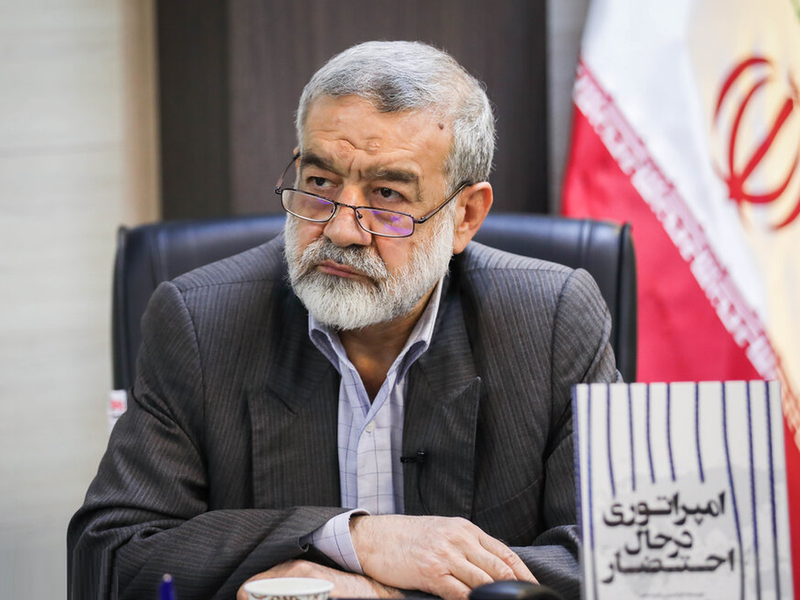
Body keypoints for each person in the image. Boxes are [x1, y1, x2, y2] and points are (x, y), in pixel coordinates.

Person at [68, 41, 619, 600]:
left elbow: (614, 562)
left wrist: (388, 597)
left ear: (465, 216)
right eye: (320, 183)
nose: (340, 230)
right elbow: (110, 558)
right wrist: (350, 538)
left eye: (387, 195)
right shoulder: (200, 323)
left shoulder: (550, 321)